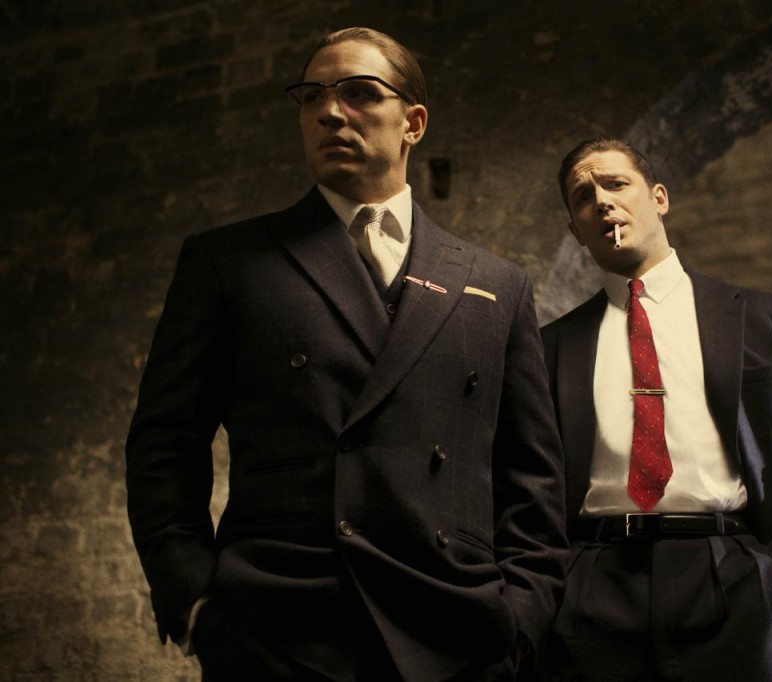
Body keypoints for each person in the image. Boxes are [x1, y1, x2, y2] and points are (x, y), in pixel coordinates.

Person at [126, 27, 567, 682]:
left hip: (457, 635)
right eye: (312, 96)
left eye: (359, 92)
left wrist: (520, 623)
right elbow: (165, 444)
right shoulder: (228, 262)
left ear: (413, 123)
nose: (330, 112)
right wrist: (194, 603)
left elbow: (532, 479)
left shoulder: (497, 285)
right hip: (279, 633)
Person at [539, 137, 772, 682]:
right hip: (594, 592)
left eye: (616, 184)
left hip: (736, 580)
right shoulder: (549, 348)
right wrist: (557, 589)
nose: (601, 201)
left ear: (660, 198)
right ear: (574, 231)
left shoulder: (766, 320)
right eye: (583, 197)